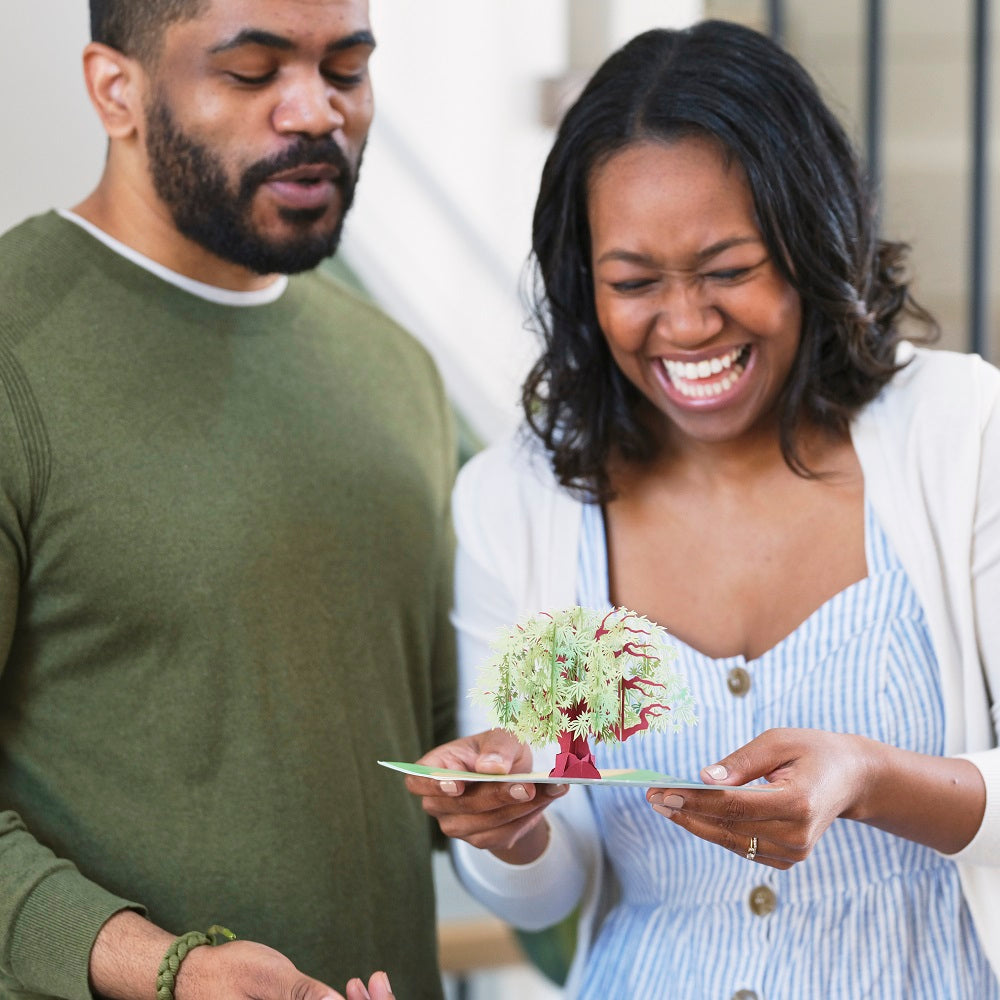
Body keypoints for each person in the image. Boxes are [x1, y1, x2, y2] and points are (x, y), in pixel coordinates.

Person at [406, 19, 1000, 1000]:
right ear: (581, 283)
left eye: (729, 270)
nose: (683, 324)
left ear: (815, 245)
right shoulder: (515, 498)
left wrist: (867, 777)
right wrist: (505, 823)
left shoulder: (963, 432)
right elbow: (544, 893)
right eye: (633, 283)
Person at [0, 2, 457, 999]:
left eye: (345, 69)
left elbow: (429, 755)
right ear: (113, 90)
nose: (314, 111)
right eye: (252, 73)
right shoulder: (13, 358)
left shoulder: (397, 371)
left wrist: (503, 789)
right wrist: (169, 968)